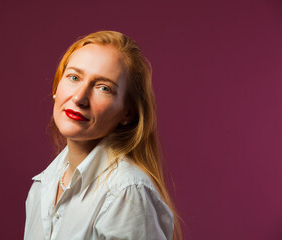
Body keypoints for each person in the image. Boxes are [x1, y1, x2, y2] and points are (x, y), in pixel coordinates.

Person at [24, 31, 182, 240]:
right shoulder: (42, 186)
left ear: (127, 113)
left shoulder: (125, 192)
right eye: (74, 77)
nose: (80, 97)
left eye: (103, 88)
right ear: (56, 87)